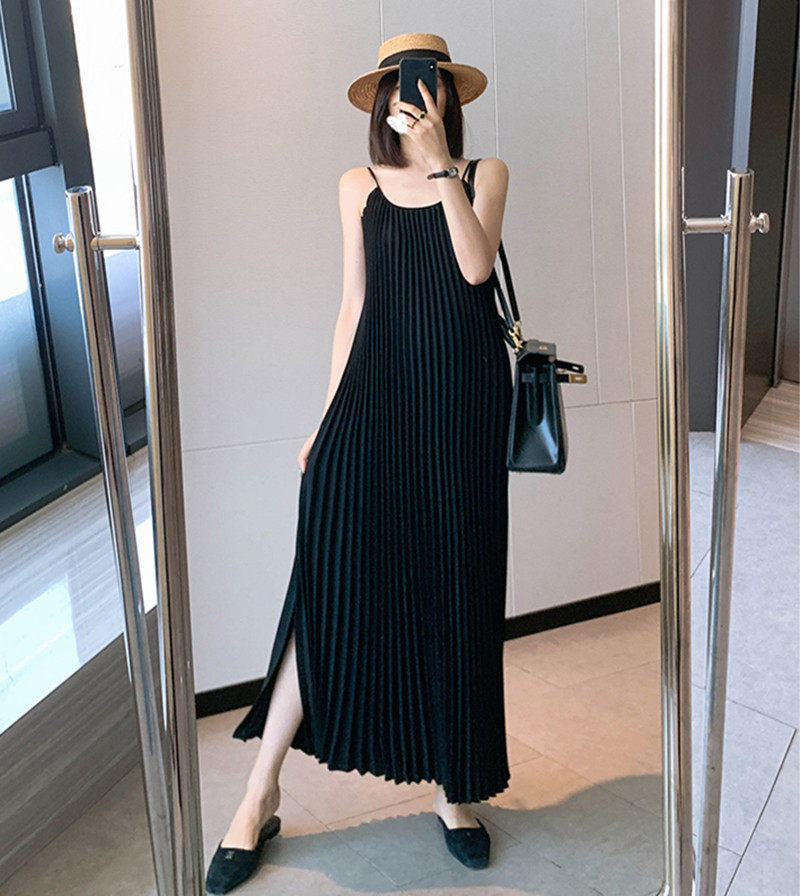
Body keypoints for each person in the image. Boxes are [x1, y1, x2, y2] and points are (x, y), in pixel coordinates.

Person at [205, 32, 512, 894]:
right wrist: (326, 416)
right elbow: (352, 305)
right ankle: (258, 794)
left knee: (456, 590)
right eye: (400, 86)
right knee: (328, 589)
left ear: (449, 96)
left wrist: (441, 164)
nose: (413, 97)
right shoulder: (356, 185)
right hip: (370, 405)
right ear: (380, 99)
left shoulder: (484, 173)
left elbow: (474, 268)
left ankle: (453, 787)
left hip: (460, 412)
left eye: (429, 84)